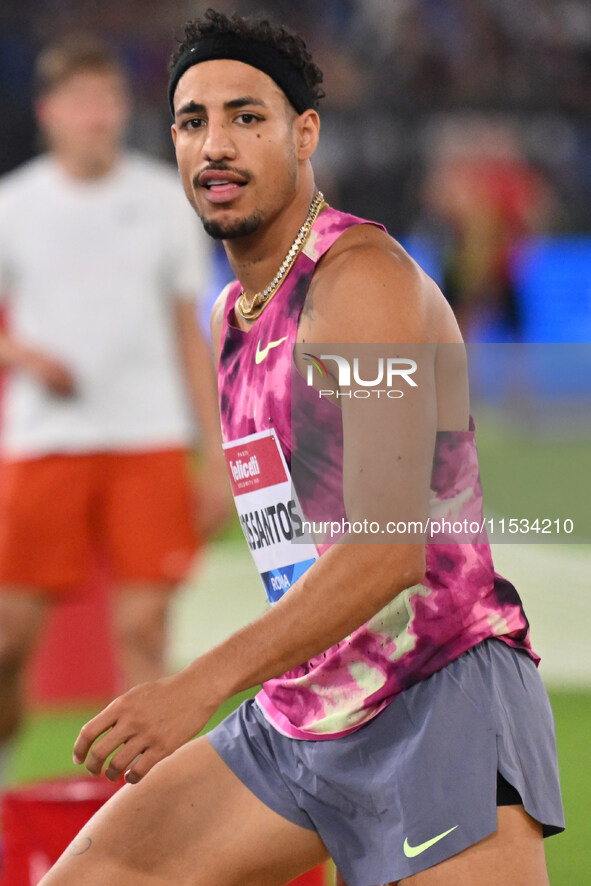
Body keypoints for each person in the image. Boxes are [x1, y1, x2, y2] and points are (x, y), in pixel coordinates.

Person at [39, 10, 563, 886]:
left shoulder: (360, 284)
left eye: (247, 117)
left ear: (304, 131)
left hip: (434, 697)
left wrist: (193, 687)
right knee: (97, 873)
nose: (216, 145)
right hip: (305, 713)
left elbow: (387, 550)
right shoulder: (228, 318)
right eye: (192, 121)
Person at [0, 36, 230, 782]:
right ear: (49, 113)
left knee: (144, 627)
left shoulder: (165, 200)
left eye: (108, 100)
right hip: (44, 443)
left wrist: (219, 455)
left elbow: (188, 336)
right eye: (80, 101)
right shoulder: (15, 206)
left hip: (148, 438)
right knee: (8, 638)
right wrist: (24, 357)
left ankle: (137, 811)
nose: (95, 115)